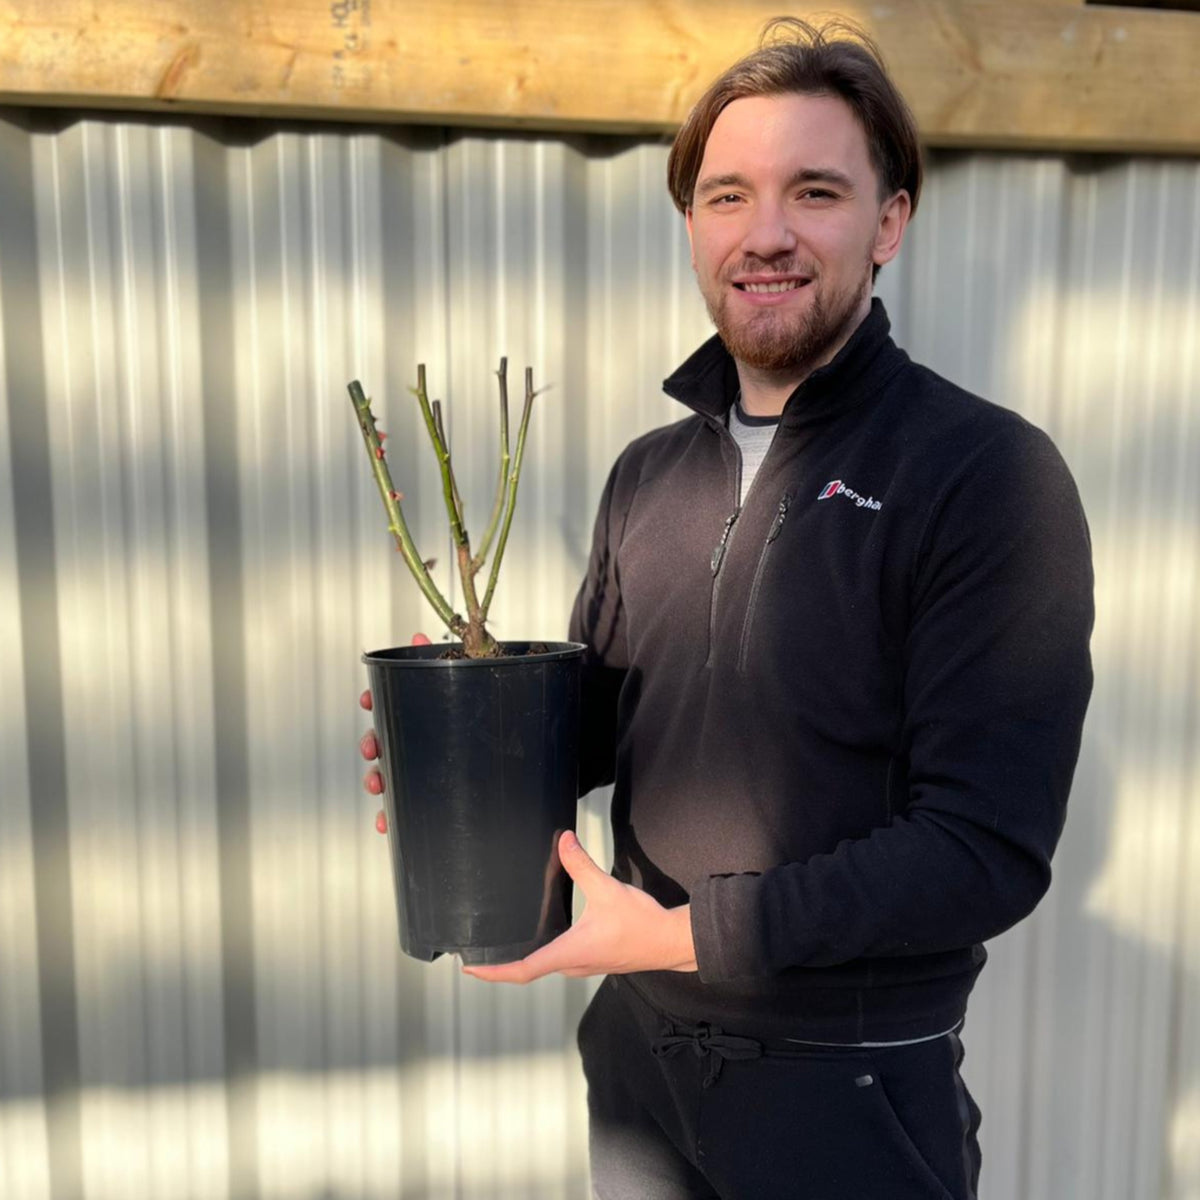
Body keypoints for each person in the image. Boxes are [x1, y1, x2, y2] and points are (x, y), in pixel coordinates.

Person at [360, 18, 1093, 1198]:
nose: (765, 235)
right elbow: (615, 732)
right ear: (691, 224)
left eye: (814, 191)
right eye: (727, 195)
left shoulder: (985, 475)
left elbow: (984, 851)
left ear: (889, 221)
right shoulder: (651, 474)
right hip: (641, 1070)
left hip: (846, 1089)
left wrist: (686, 934)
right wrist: (468, 742)